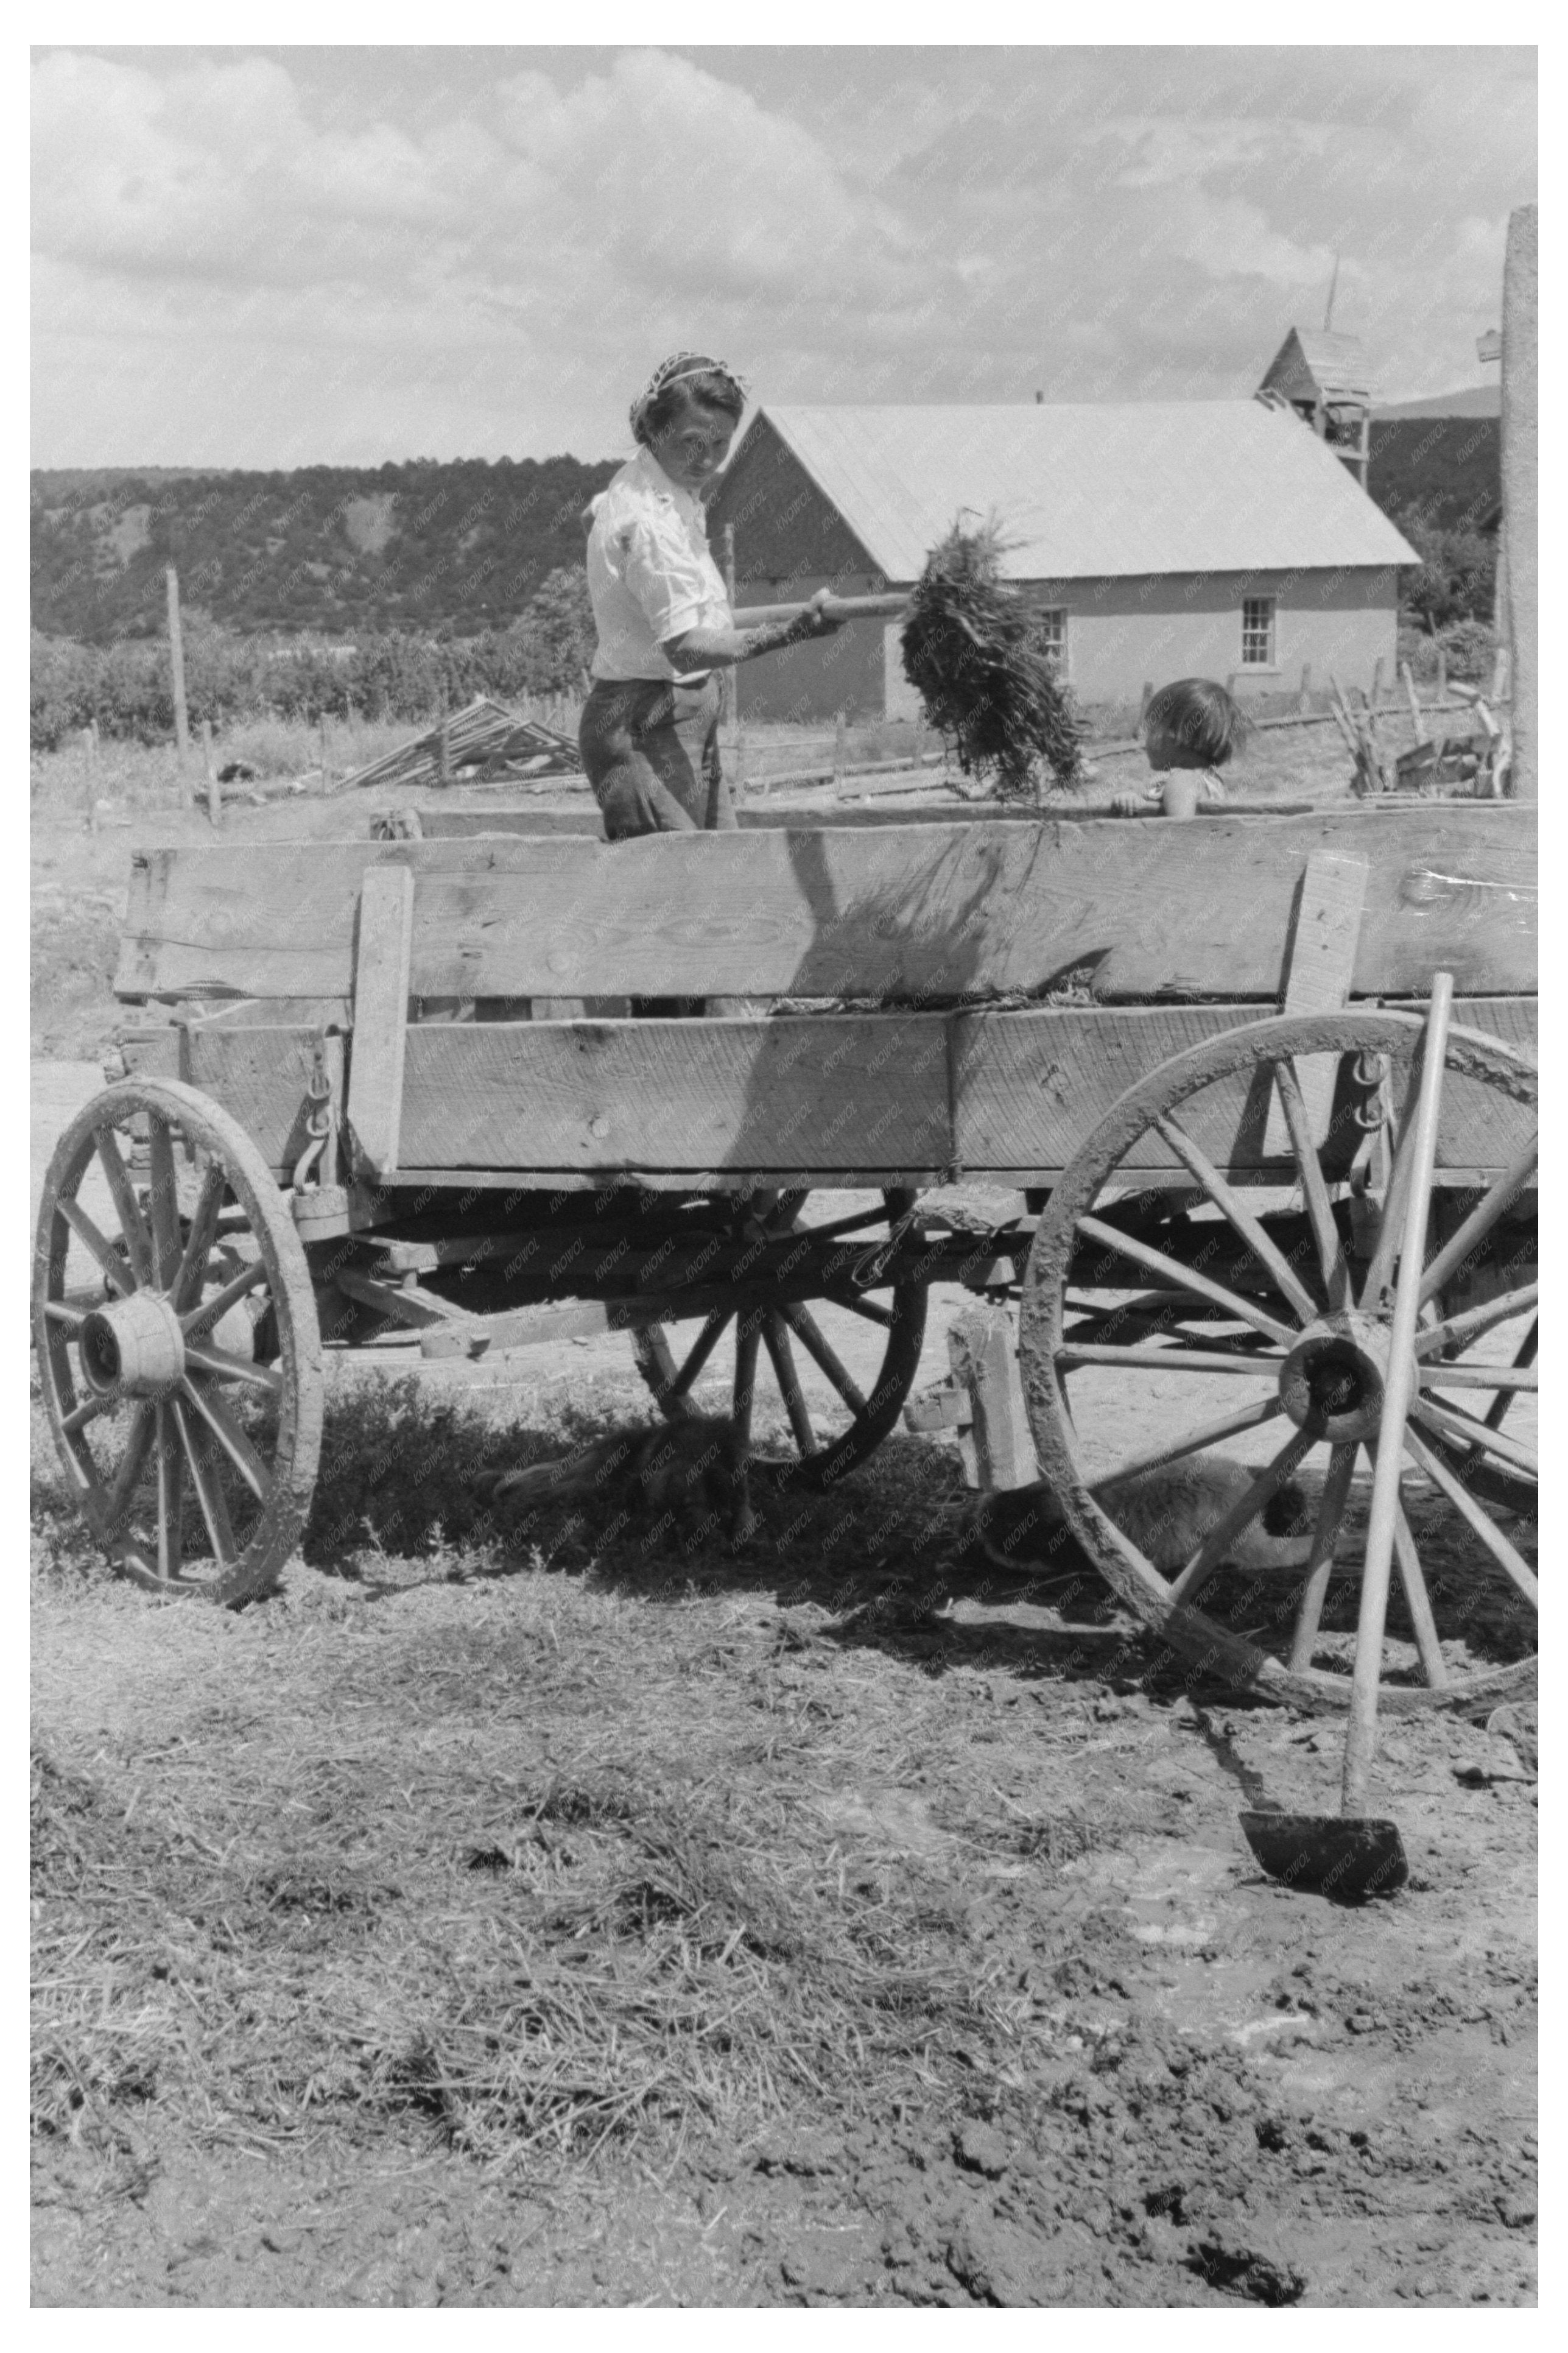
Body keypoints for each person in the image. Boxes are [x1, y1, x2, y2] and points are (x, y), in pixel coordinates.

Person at [578, 351, 842, 841]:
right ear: (655, 430)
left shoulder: (661, 485)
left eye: (720, 444)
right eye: (691, 442)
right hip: (641, 723)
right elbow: (685, 648)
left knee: (721, 872)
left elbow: (601, 512)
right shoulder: (649, 522)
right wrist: (793, 633)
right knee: (677, 892)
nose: (706, 460)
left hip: (685, 714)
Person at [1111, 678, 1250, 816]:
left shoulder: (1182, 781)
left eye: (1151, 730)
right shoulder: (1209, 781)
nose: (1145, 739)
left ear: (1173, 736)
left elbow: (1180, 832)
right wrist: (1132, 799)